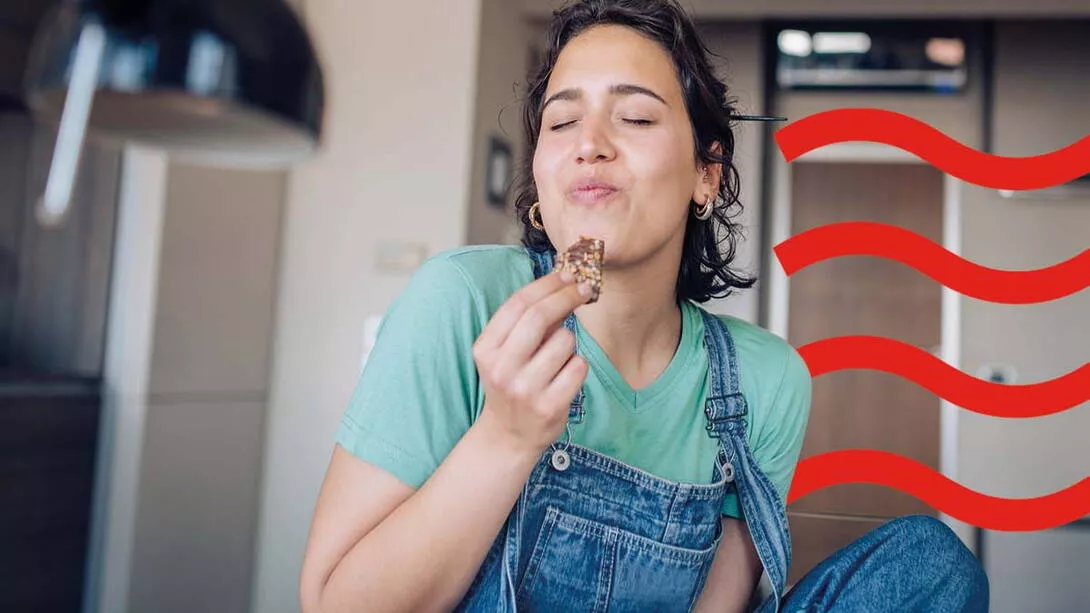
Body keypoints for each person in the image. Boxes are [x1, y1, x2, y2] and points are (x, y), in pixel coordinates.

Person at [299, 1, 990, 611]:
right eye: (561, 121)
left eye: (633, 116)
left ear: (705, 173)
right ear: (541, 177)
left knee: (931, 562)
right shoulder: (462, 300)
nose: (590, 145)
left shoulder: (764, 380)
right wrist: (504, 437)